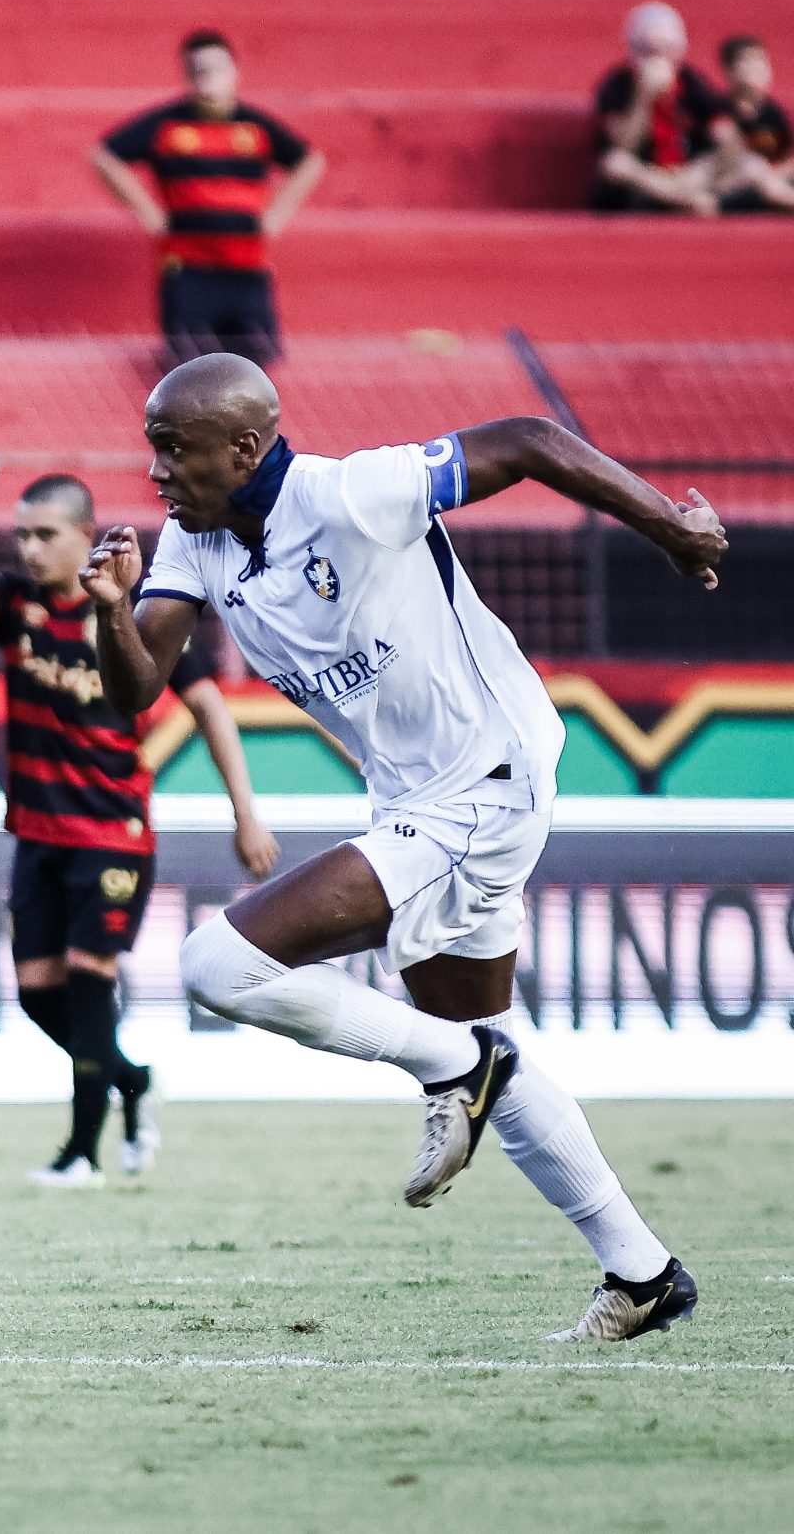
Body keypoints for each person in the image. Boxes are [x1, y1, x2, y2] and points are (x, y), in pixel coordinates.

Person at [82, 351, 725, 1342]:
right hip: (416, 803)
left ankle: (452, 1070)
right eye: (151, 448)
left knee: (218, 964)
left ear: (245, 446)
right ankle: (640, 1274)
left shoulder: (351, 493)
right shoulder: (193, 540)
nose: (156, 469)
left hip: (486, 779)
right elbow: (134, 692)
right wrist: (108, 614)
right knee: (493, 1053)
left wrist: (669, 528)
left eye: (174, 448)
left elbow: (525, 441)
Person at [0, 453, 278, 1189]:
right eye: (21, 534)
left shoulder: (131, 614)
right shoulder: (19, 604)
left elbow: (211, 705)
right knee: (36, 992)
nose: (28, 548)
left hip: (111, 835)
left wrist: (245, 814)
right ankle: (132, 1078)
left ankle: (81, 1150)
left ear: (84, 534)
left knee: (90, 982)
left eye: (44, 534)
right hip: (36, 834)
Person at [93, 30, 327, 367]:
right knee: (190, 369)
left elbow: (310, 160)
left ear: (235, 72)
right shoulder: (167, 125)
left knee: (253, 369)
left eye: (215, 67)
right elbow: (105, 156)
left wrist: (277, 214)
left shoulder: (255, 127)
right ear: (186, 75)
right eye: (196, 69)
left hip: (246, 268)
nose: (206, 76)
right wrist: (146, 212)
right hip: (188, 269)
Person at [590, 2, 725, 215]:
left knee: (741, 165)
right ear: (632, 50)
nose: (659, 59)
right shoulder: (616, 86)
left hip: (687, 173)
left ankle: (677, 198)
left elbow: (725, 138)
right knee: (615, 165)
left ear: (681, 50)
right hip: (642, 175)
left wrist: (699, 168)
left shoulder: (694, 84)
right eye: (648, 51)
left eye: (667, 50)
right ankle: (682, 201)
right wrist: (644, 97)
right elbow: (621, 146)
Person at [709, 35, 794, 213]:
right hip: (725, 187)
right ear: (729, 70)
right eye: (747, 63)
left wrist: (773, 174)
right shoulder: (717, 110)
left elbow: (786, 157)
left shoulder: (774, 114)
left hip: (768, 182)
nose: (756, 70)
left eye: (761, 62)